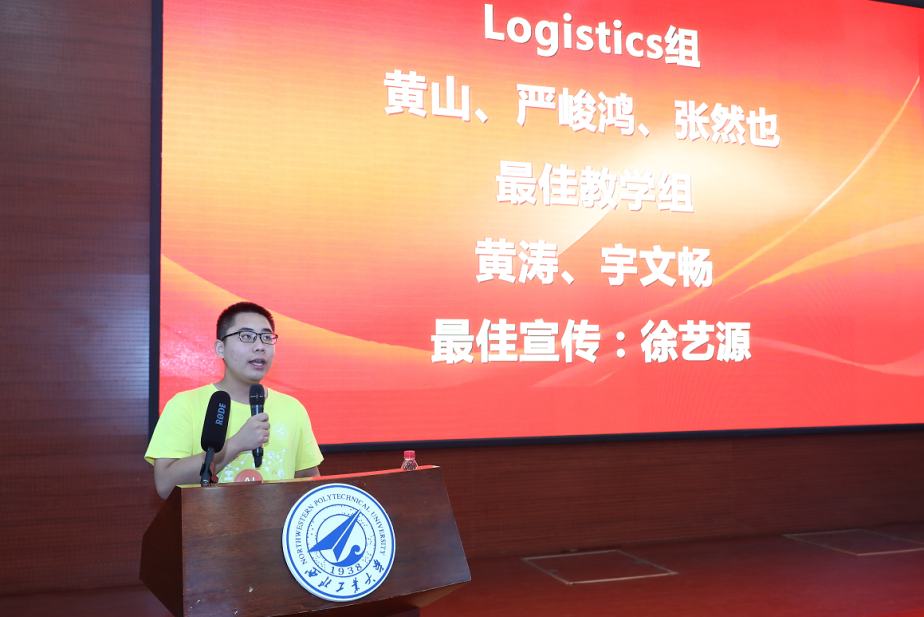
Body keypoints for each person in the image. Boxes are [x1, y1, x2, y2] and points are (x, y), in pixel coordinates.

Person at [145, 301, 322, 498]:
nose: (260, 346)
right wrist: (236, 444)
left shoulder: (293, 408)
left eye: (266, 337)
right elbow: (165, 485)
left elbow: (308, 479)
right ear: (220, 348)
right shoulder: (185, 405)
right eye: (246, 336)